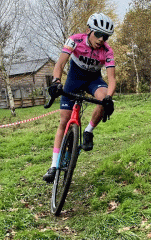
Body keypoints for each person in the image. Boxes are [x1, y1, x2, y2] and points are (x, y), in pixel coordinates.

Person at [43, 13, 116, 183]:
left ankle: (88, 131)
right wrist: (56, 82)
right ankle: (54, 165)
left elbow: (112, 79)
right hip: (74, 80)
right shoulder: (74, 40)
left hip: (93, 80)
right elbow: (60, 64)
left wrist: (109, 98)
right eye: (98, 34)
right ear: (88, 30)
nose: (101, 39)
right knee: (64, 121)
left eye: (105, 37)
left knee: (104, 99)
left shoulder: (107, 51)